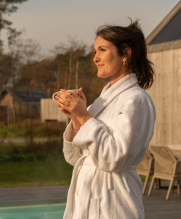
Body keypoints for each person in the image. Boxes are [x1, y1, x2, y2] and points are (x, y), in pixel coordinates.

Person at [54, 19, 156, 218]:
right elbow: (75, 158)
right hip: (87, 200)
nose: (95, 58)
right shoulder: (101, 103)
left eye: (102, 50)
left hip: (114, 202)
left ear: (126, 53)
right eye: (94, 52)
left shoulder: (136, 100)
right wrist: (76, 118)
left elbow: (115, 158)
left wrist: (84, 116)